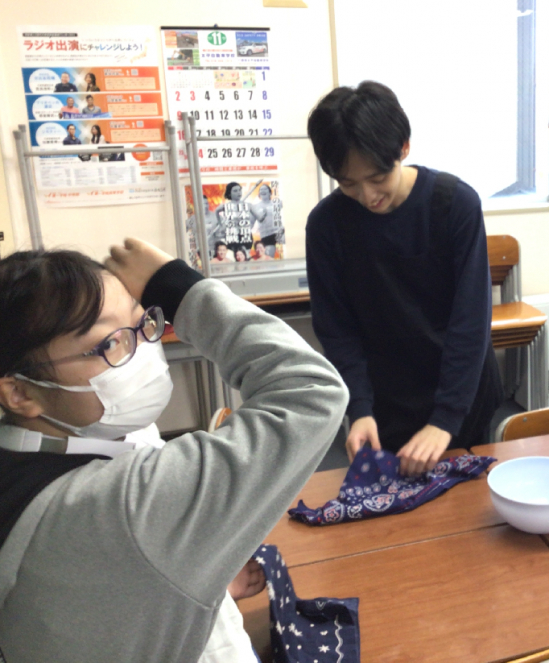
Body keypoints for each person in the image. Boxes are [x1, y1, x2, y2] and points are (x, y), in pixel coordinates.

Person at [0, 238, 348, 662]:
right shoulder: (122, 505)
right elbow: (312, 391)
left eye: (143, 323)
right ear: (20, 392)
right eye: (108, 345)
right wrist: (181, 289)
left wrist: (198, 575)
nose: (143, 349)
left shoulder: (32, 457)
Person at [305, 81, 503, 477]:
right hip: (385, 404)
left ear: (404, 148)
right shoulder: (327, 225)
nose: (367, 195)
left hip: (460, 396)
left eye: (377, 177)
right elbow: (337, 329)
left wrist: (445, 419)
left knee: (468, 505)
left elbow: (470, 321)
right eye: (348, 183)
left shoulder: (454, 204)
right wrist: (359, 408)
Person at [248, 183, 284, 259]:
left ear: (270, 192)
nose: (263, 191)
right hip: (266, 235)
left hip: (279, 233)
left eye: (265, 189)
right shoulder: (255, 207)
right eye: (261, 190)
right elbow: (251, 223)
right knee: (269, 257)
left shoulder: (278, 203)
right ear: (259, 194)